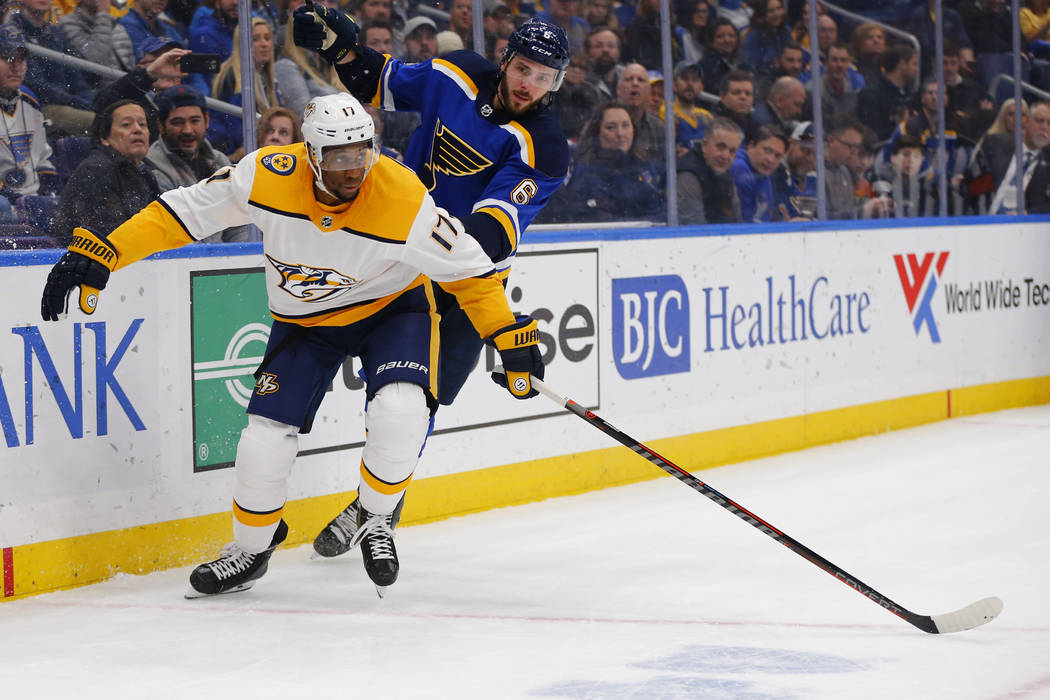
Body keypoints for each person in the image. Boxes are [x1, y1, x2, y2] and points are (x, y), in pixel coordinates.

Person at [39, 93, 545, 598]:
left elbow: (472, 275)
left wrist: (508, 336)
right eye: (339, 157)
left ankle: (375, 516)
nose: (354, 170)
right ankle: (252, 549)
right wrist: (109, 252)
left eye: (362, 153)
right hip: (306, 321)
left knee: (402, 408)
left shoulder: (403, 198)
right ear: (311, 155)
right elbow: (182, 214)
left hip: (393, 309)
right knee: (264, 439)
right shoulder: (265, 176)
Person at [291, 12, 569, 555]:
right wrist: (344, 51)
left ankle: (375, 508)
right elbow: (383, 83)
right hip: (393, 260)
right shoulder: (456, 72)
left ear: (556, 85)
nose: (529, 83)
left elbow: (490, 232)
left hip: (466, 284)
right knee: (325, 359)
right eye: (524, 67)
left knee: (415, 401)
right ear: (507, 60)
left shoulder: (545, 147)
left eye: (545, 77)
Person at [50, 99, 158, 245]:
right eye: (126, 125)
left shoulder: (146, 173)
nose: (137, 129)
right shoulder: (96, 171)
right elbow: (113, 233)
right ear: (105, 138)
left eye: (142, 124)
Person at [544, 102, 663, 222]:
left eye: (626, 125)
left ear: (634, 129)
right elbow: (590, 218)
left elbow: (661, 209)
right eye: (611, 127)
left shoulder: (643, 166)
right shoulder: (584, 172)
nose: (620, 134)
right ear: (597, 132)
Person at [7, 0, 96, 136]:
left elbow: (77, 79)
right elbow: (38, 87)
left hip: (66, 104)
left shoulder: (56, 33)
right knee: (101, 123)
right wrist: (83, 104)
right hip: (37, 107)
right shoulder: (12, 32)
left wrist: (94, 104)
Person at [0, 25, 58, 223]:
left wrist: (51, 195)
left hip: (31, 200)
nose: (17, 67)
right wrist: (16, 199)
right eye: (8, 58)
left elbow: (42, 158)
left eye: (21, 59)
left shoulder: (29, 100)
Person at [210, 17, 282, 154]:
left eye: (267, 38)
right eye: (255, 39)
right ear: (241, 44)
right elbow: (237, 133)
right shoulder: (231, 77)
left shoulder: (266, 77)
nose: (264, 44)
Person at [676, 115, 744, 224]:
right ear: (704, 145)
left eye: (732, 151)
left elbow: (737, 221)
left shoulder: (724, 172)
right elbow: (695, 229)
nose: (726, 156)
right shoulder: (688, 175)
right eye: (721, 147)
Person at [57, 0, 135, 83]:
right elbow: (96, 62)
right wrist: (104, 13)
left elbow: (130, 69)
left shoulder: (117, 27)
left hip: (126, 91)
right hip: (97, 92)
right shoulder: (68, 24)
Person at [856, 44, 918, 142]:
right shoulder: (872, 94)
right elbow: (873, 134)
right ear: (902, 64)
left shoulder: (910, 94)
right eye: (914, 64)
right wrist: (900, 127)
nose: (916, 69)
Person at [730, 123, 786, 223]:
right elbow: (746, 224)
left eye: (778, 156)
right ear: (751, 146)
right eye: (767, 151)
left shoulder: (761, 172)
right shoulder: (739, 167)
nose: (771, 160)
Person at [772, 120, 816, 220]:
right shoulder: (774, 171)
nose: (810, 158)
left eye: (816, 154)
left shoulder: (814, 178)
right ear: (790, 143)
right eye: (805, 150)